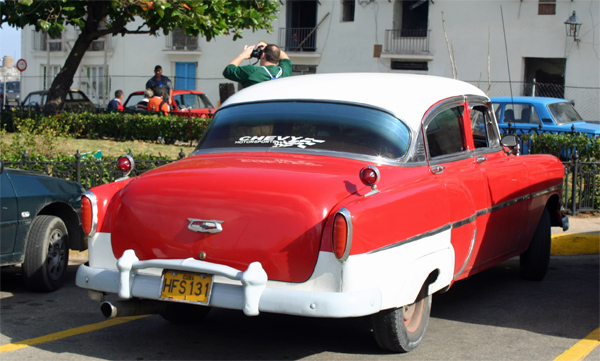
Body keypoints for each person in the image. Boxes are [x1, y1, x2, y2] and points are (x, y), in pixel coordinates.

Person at [223, 41, 292, 89]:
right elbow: (284, 56)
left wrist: (243, 55)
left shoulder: (252, 71)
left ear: (263, 55)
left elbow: (228, 71)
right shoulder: (284, 72)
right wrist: (268, 47)